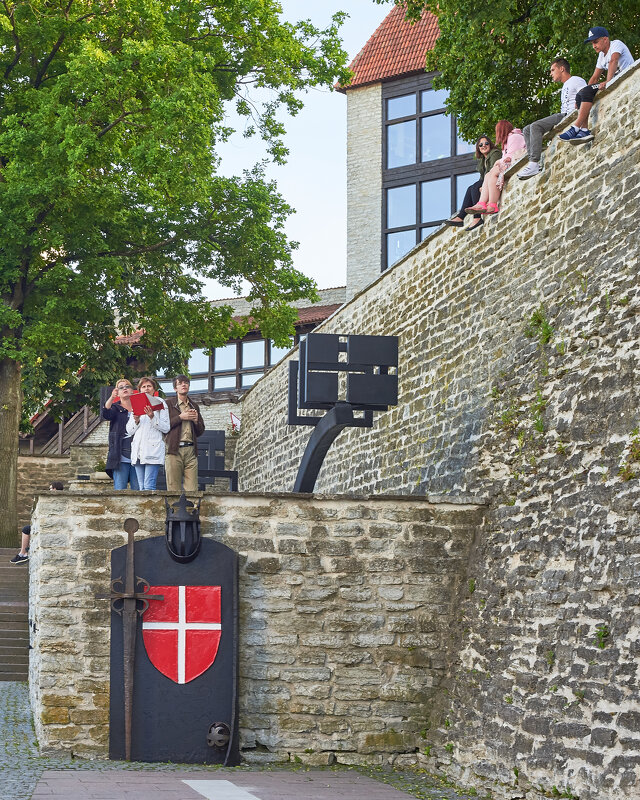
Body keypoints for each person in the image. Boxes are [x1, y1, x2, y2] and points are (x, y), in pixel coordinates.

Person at [559, 27, 634, 144]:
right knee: (582, 93)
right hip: (611, 80)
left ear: (605, 39)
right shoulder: (601, 56)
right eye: (592, 43)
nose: (594, 45)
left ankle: (576, 127)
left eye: (595, 42)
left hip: (623, 78)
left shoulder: (616, 44)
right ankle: (584, 130)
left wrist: (608, 82)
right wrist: (580, 95)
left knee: (585, 92)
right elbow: (594, 78)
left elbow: (613, 61)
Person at [517, 59, 586, 179]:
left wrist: (579, 102)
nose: (551, 73)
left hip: (567, 114)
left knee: (535, 126)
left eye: (553, 70)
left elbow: (585, 92)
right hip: (562, 114)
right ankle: (533, 160)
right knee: (527, 130)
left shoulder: (575, 80)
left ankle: (534, 163)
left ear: (562, 69)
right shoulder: (565, 86)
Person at [466, 121, 526, 215]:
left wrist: (498, 161)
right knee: (488, 175)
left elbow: (510, 156)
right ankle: (481, 203)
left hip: (516, 160)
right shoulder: (508, 140)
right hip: (511, 162)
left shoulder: (514, 137)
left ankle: (492, 205)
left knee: (493, 171)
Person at [445, 135, 502, 231]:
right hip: (486, 179)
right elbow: (482, 177)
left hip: (493, 177)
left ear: (490, 144)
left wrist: (484, 187)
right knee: (471, 188)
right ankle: (460, 217)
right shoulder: (482, 160)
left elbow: (493, 170)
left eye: (486, 143)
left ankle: (477, 217)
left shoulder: (494, 153)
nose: (483, 146)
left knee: (475, 187)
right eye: (480, 145)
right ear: (478, 148)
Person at [126, 377, 170, 491]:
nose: (146, 389)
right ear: (140, 389)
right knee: (141, 488)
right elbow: (129, 431)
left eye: (149, 386)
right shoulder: (135, 404)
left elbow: (166, 428)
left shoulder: (160, 403)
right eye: (143, 387)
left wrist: (152, 417)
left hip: (152, 450)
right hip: (138, 451)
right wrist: (136, 420)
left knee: (149, 486)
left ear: (153, 389)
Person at [165, 374, 205, 493]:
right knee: (173, 489)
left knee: (192, 490)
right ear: (175, 388)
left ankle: (192, 511)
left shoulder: (194, 406)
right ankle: (174, 511)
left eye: (186, 383)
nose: (184, 385)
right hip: (174, 450)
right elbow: (164, 426)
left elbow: (201, 431)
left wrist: (196, 421)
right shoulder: (168, 404)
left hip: (191, 450)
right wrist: (180, 417)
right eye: (180, 383)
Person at [9, 482, 64, 564]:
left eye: (50, 488)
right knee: (27, 529)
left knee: (26, 529)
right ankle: (23, 553)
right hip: (46, 524)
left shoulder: (56, 500)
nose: (49, 490)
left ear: (55, 489)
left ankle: (23, 553)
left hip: (49, 525)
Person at [102, 378, 140, 490]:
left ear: (132, 390)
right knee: (119, 489)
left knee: (138, 489)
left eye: (127, 386)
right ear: (117, 392)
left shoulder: (139, 407)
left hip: (137, 454)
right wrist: (112, 398)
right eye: (121, 387)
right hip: (120, 454)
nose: (124, 388)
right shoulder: (115, 408)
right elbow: (106, 414)